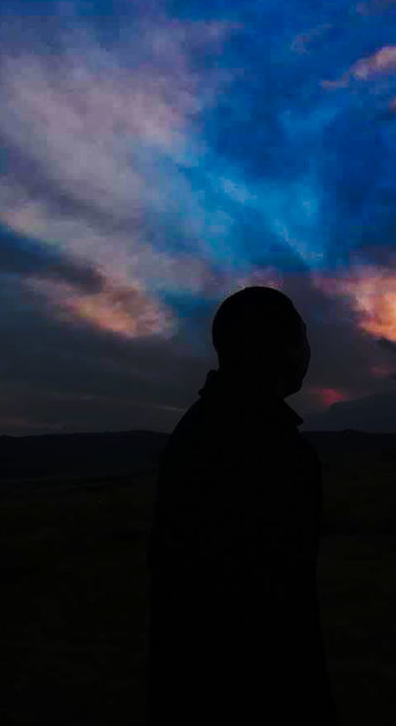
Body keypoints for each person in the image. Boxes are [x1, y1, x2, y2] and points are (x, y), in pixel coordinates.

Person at [146, 286, 336, 724]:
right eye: (303, 338)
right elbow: (279, 605)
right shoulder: (268, 447)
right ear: (279, 347)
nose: (309, 352)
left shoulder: (201, 429)